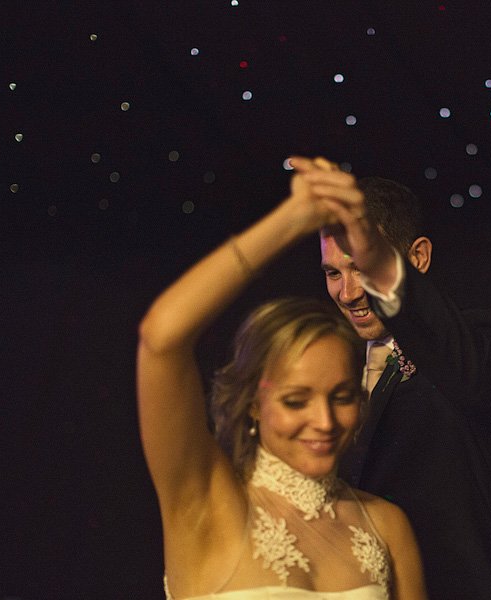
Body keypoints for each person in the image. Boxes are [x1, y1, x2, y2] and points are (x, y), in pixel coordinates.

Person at [136, 159, 427, 600]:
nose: (325, 421)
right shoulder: (206, 504)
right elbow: (161, 339)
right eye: (296, 401)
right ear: (254, 400)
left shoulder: (386, 526)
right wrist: (291, 221)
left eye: (343, 397)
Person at [293, 160, 491, 599]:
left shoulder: (484, 343)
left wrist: (379, 261)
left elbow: (478, 380)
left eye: (361, 266)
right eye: (333, 273)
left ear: (416, 256)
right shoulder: (328, 366)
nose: (348, 293)